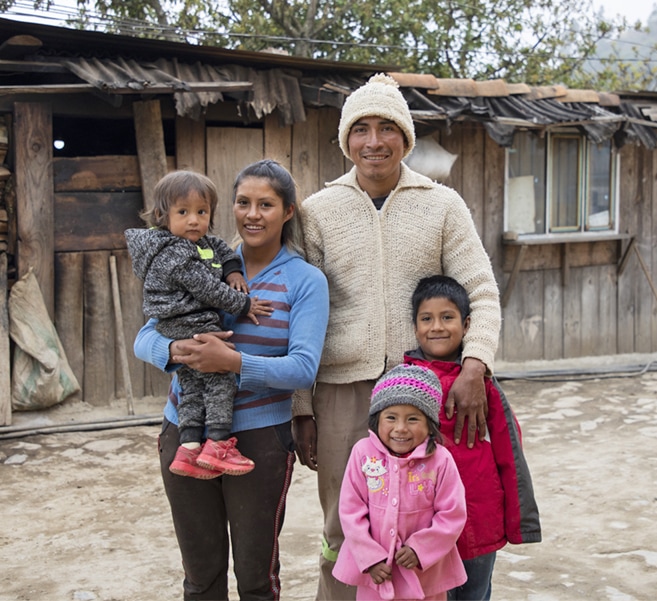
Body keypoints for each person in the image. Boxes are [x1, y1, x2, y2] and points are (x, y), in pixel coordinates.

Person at [292, 73, 502, 600]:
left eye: (387, 128)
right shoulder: (318, 211)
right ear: (346, 139)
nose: (374, 141)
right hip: (343, 392)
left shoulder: (442, 205)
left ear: (406, 138)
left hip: (430, 390)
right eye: (360, 129)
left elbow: (482, 290)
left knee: (431, 527)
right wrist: (301, 404)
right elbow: (298, 312)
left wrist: (474, 364)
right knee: (347, 531)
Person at [133, 159, 329, 600]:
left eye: (266, 204)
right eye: (243, 203)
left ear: (289, 212)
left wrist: (232, 361)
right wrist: (173, 351)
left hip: (259, 441)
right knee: (200, 578)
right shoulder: (197, 258)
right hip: (184, 434)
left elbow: (302, 369)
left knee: (256, 579)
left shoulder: (305, 281)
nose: (253, 214)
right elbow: (146, 336)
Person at [125, 170, 273, 479]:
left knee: (191, 385)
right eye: (183, 212)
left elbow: (221, 249)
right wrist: (245, 304)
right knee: (219, 377)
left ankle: (189, 447)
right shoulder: (174, 253)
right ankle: (218, 442)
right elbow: (208, 289)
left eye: (201, 212)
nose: (194, 220)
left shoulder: (200, 242)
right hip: (187, 323)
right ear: (161, 216)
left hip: (183, 324)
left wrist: (233, 270)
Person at [405, 275, 542, 601]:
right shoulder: (403, 383)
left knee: (474, 594)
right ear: (414, 327)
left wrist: (520, 520)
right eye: (426, 318)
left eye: (447, 317)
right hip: (425, 521)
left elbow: (509, 450)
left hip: (478, 513)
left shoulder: (479, 384)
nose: (436, 327)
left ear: (467, 325)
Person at [333, 363, 467, 601]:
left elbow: (452, 514)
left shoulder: (441, 460)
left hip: (425, 576)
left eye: (413, 419)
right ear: (377, 419)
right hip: (378, 575)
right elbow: (350, 511)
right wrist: (370, 558)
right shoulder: (363, 454)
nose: (401, 429)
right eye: (391, 417)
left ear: (430, 424)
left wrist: (420, 549)